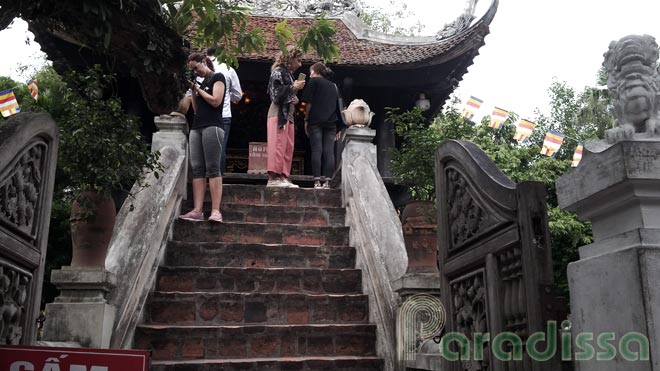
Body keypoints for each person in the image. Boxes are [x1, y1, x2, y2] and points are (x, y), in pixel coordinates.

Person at [179, 52, 226, 222]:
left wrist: (198, 88)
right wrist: (193, 90)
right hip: (197, 126)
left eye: (196, 67)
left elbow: (216, 101)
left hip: (213, 126)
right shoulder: (202, 82)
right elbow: (197, 109)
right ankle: (197, 210)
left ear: (204, 61)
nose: (196, 72)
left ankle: (215, 211)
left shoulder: (217, 77)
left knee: (213, 168)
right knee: (197, 169)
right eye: (192, 70)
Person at [265, 47, 305, 188]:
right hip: (278, 113)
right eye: (298, 60)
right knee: (278, 144)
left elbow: (286, 95)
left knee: (287, 146)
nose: (300, 64)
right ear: (290, 58)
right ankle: (273, 178)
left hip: (287, 113)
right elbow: (275, 95)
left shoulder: (288, 74)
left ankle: (283, 177)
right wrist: (293, 88)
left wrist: (294, 97)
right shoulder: (278, 72)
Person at [301, 62, 341, 189]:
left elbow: (308, 104)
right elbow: (338, 106)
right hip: (331, 123)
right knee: (329, 151)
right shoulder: (334, 86)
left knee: (317, 150)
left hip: (315, 121)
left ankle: (317, 182)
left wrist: (306, 119)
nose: (310, 74)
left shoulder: (313, 82)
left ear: (316, 72)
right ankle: (327, 182)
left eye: (311, 72)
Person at [207, 46, 243, 175]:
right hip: (224, 114)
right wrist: (226, 95)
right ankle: (218, 179)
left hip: (205, 114)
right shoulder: (228, 69)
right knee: (220, 148)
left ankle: (205, 178)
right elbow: (238, 95)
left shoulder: (201, 68)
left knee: (204, 148)